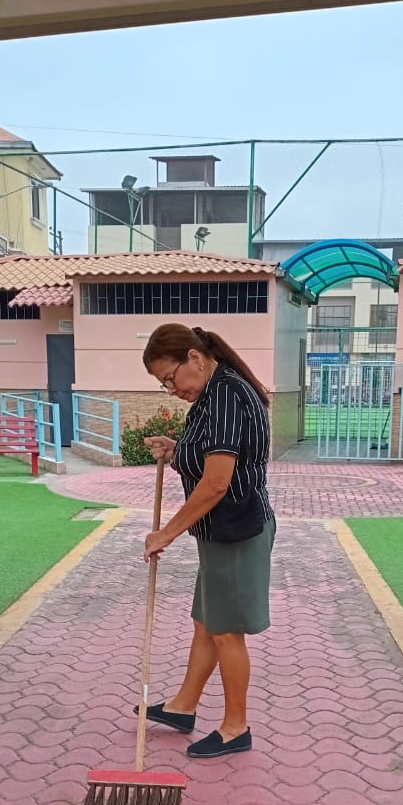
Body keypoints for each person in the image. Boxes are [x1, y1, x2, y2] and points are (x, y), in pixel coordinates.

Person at [137, 323, 276, 758]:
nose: (172, 389)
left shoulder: (227, 395)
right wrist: (176, 450)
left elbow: (217, 481)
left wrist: (166, 532)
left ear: (194, 358)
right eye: (164, 384)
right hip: (219, 532)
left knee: (227, 632)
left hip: (237, 530)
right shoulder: (211, 395)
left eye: (170, 378)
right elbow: (209, 455)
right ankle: (182, 707)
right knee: (207, 622)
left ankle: (236, 729)